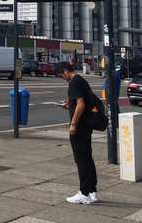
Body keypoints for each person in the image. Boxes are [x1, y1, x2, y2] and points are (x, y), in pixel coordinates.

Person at [57, 61, 98, 204]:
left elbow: (81, 104)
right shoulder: (81, 80)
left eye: (61, 75)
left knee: (81, 160)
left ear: (66, 71)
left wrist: (73, 124)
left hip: (79, 127)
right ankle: (92, 191)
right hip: (86, 126)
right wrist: (69, 104)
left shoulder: (73, 83)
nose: (63, 78)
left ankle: (84, 193)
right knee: (87, 158)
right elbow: (81, 101)